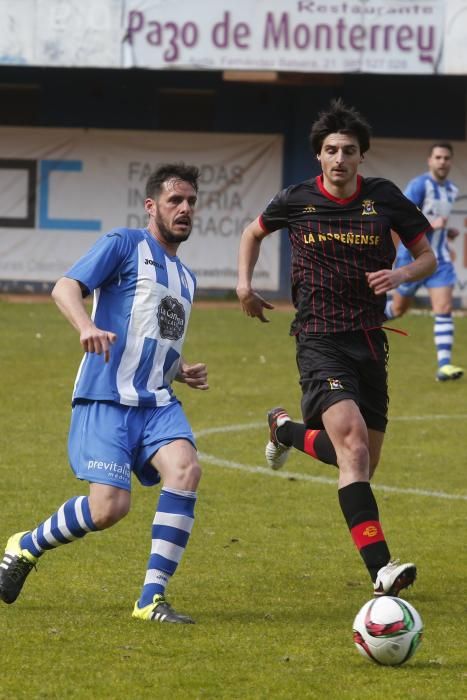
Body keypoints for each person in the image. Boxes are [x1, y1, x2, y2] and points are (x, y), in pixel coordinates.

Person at [236, 99, 436, 598]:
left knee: (361, 460)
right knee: (352, 447)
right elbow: (252, 231)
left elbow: (428, 257)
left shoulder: (385, 199)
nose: (339, 158)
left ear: (361, 157)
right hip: (318, 338)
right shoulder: (297, 199)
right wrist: (244, 286)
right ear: (319, 158)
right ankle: (381, 569)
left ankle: (285, 430)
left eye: (348, 150)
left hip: (370, 341)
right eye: (330, 150)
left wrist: (402, 274)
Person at [0, 163, 208, 624]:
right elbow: (65, 287)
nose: (185, 209)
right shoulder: (125, 244)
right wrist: (86, 325)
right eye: (175, 200)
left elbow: (153, 338)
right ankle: (25, 545)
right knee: (109, 508)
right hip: (105, 399)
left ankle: (150, 599)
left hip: (156, 403)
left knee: (186, 468)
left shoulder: (187, 278)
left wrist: (180, 370)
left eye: (191, 201)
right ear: (151, 206)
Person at [385, 143, 463, 382]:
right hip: (413, 259)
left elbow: (435, 223)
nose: (442, 161)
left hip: (439, 260)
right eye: (438, 157)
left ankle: (444, 366)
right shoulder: (419, 185)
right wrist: (431, 225)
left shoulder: (451, 190)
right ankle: (362, 324)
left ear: (451, 161)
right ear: (429, 160)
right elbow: (403, 217)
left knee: (444, 308)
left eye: (446, 158)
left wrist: (445, 232)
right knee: (398, 309)